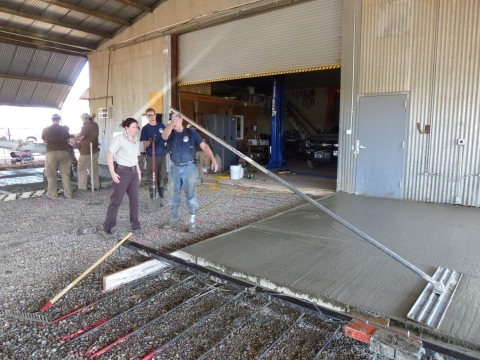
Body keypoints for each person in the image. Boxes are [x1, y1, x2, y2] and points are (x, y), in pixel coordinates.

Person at [162, 111, 218, 233]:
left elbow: (205, 147)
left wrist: (213, 159)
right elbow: (164, 137)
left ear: (181, 119)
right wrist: (171, 124)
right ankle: (174, 221)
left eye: (176, 119)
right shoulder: (170, 132)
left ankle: (192, 222)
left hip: (189, 168)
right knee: (173, 196)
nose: (174, 122)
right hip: (174, 168)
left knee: (191, 195)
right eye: (172, 120)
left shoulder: (191, 133)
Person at [102, 118, 143, 239]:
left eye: (136, 127)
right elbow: (110, 155)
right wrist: (113, 173)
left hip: (134, 173)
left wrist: (139, 171)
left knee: (135, 200)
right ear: (126, 128)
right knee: (116, 201)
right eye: (133, 127)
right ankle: (107, 227)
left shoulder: (136, 141)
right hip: (122, 172)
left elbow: (135, 159)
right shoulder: (119, 139)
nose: (135, 129)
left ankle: (135, 225)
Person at [140, 108, 167, 206]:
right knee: (152, 177)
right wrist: (150, 141)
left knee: (161, 176)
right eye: (149, 115)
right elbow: (144, 145)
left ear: (156, 115)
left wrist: (167, 147)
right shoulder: (145, 129)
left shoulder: (161, 126)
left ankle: (161, 197)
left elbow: (166, 138)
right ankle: (153, 197)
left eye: (153, 114)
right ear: (147, 117)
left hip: (162, 155)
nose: (152, 117)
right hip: (152, 156)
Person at [41, 113, 73, 199]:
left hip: (51, 153)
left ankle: (52, 195)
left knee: (51, 174)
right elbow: (68, 141)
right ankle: (68, 194)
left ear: (52, 120)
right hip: (64, 153)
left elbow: (45, 141)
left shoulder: (46, 129)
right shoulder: (65, 129)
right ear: (59, 120)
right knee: (65, 174)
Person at [73, 113, 100, 191]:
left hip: (86, 152)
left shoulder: (86, 126)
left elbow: (81, 138)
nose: (82, 121)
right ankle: (96, 185)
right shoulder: (95, 124)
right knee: (93, 169)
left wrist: (72, 138)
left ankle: (82, 187)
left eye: (82, 119)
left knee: (81, 169)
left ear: (86, 119)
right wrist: (93, 117)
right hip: (95, 151)